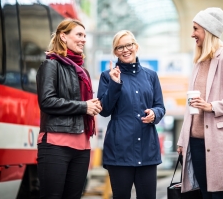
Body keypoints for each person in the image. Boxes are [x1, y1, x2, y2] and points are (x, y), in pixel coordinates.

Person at [176, 7, 223, 199]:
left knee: (217, 196)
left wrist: (212, 106)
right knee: (205, 195)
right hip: (196, 142)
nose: (192, 34)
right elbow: (190, 107)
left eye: (195, 29)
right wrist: (183, 139)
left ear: (207, 31)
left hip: (218, 142)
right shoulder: (199, 61)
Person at [36, 19, 102, 199]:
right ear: (63, 36)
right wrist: (84, 106)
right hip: (56, 145)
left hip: (82, 146)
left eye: (85, 36)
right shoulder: (51, 65)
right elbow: (47, 101)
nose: (83, 39)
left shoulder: (83, 71)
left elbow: (83, 104)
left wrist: (93, 106)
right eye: (79, 35)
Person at [97, 30, 166, 199]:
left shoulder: (151, 76)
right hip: (119, 150)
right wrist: (115, 83)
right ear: (115, 52)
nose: (125, 50)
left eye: (129, 45)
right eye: (120, 47)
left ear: (136, 46)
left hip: (147, 150)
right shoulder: (107, 77)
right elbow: (105, 110)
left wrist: (154, 113)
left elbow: (160, 106)